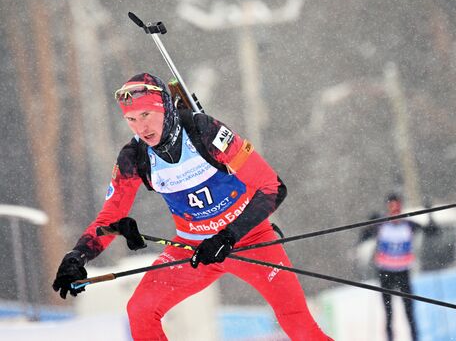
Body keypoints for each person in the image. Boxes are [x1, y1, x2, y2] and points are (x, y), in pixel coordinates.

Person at [52, 73, 331, 340]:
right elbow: (110, 217)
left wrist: (227, 237)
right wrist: (78, 256)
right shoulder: (133, 156)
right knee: (140, 311)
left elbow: (272, 187)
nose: (141, 127)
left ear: (164, 108)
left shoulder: (204, 130)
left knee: (299, 326)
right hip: (192, 249)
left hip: (250, 239)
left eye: (146, 115)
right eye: (131, 119)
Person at [364, 193, 420, 341]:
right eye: (391, 207)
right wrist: (370, 222)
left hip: (403, 272)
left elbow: (432, 230)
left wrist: (431, 218)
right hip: (385, 272)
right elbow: (363, 234)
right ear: (388, 208)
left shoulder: (409, 225)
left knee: (410, 312)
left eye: (397, 207)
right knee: (388, 313)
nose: (394, 210)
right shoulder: (381, 225)